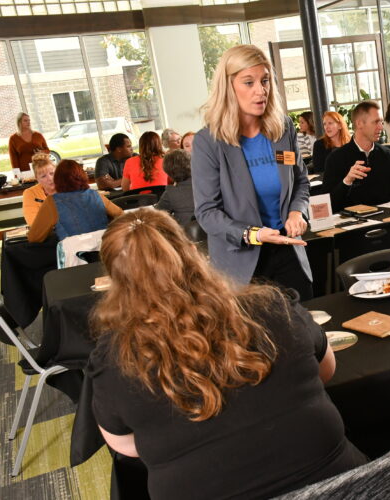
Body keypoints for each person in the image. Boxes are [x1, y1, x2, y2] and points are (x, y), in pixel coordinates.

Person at [88, 208, 367, 500]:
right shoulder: (273, 306)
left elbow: (126, 445)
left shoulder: (113, 361)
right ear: (190, 252)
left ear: (115, 279)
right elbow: (325, 369)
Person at [192, 44, 313, 300]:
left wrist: (296, 212)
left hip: (288, 251)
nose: (261, 91)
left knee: (306, 331)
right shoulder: (208, 142)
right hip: (241, 264)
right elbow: (207, 213)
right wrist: (252, 233)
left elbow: (300, 181)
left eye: (265, 80)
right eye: (249, 82)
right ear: (229, 87)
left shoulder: (282, 129)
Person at [322, 100, 390, 212]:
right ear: (359, 123)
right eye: (376, 122)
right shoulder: (336, 159)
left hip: (388, 220)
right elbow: (329, 204)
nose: (381, 127)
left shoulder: (387, 155)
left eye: (381, 122)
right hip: (354, 225)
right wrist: (347, 181)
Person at [27, 159, 122, 243]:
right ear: (83, 175)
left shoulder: (52, 202)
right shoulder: (96, 195)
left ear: (57, 179)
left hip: (74, 258)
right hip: (104, 251)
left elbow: (34, 237)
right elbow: (121, 215)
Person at [156, 149, 194, 226]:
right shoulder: (206, 186)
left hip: (185, 234)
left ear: (168, 173)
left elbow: (157, 215)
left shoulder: (171, 192)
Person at [22, 153, 55, 225]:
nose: (50, 179)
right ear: (37, 179)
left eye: (52, 173)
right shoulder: (30, 193)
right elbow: (33, 223)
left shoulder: (67, 187)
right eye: (43, 176)